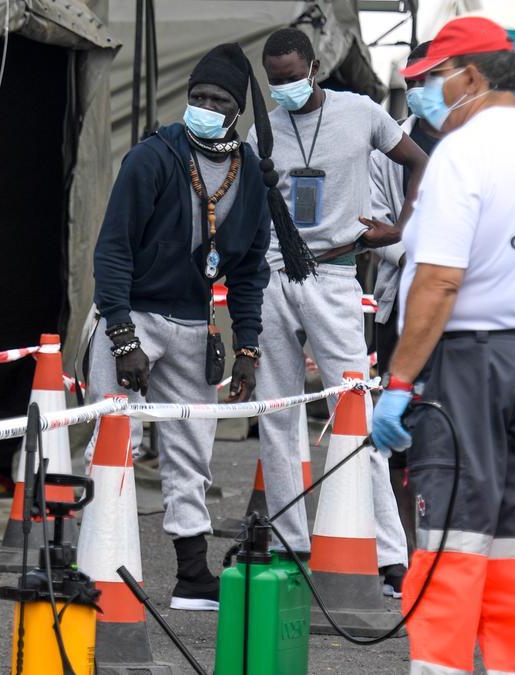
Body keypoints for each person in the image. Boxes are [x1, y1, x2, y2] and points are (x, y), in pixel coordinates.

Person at [368, 17, 515, 674]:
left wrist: (400, 382)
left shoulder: (463, 156)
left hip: (470, 363)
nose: (425, 94)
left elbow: (439, 281)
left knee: (452, 535)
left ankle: (439, 665)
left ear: (469, 75)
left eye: (433, 77)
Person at [86, 43, 312, 612]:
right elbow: (112, 250)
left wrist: (249, 349)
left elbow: (248, 273)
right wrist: (121, 336)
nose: (205, 106)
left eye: (217, 99)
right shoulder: (152, 158)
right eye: (198, 96)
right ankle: (92, 564)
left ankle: (191, 577)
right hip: (131, 315)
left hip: (193, 326)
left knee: (192, 453)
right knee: (114, 443)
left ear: (236, 110)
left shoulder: (253, 178)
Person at [249, 27, 427, 596]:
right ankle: (289, 543)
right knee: (277, 414)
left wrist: (400, 227)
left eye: (292, 78)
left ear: (315, 66)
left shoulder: (361, 112)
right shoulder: (262, 130)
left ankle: (389, 554)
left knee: (353, 409)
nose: (284, 90)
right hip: (275, 276)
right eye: (274, 81)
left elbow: (418, 162)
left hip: (333, 274)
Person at [366, 39, 438, 585]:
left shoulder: (482, 145)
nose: (422, 90)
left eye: (432, 78)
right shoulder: (390, 148)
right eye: (414, 82)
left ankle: (451, 551)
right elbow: (375, 227)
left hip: (468, 314)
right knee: (396, 437)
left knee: (454, 433)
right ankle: (403, 554)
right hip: (403, 309)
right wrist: (425, 249)